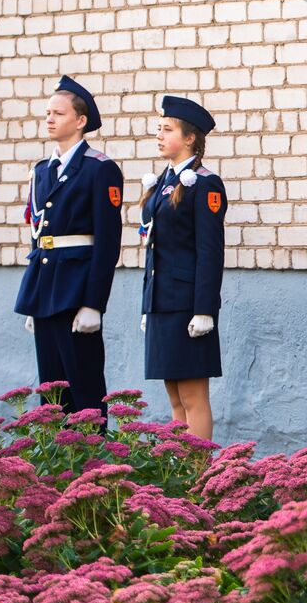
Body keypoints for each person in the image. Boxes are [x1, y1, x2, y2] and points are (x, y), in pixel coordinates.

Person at [13, 75, 124, 419]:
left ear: (80, 121)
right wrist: (35, 300)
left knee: (85, 387)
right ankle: (59, 471)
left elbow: (107, 242)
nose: (49, 119)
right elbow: (39, 237)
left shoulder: (98, 169)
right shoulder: (43, 170)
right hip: (45, 287)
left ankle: (94, 466)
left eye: (58, 114)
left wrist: (94, 303)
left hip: (77, 289)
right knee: (52, 392)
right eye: (47, 112)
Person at [139, 95, 227, 441]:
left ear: (190, 138)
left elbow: (209, 252)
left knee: (193, 396)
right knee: (175, 397)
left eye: (167, 129)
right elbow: (154, 248)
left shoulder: (204, 183)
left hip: (188, 305)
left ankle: (199, 476)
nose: (159, 135)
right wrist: (148, 304)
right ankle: (180, 470)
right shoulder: (162, 183)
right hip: (162, 302)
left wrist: (204, 310)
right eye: (158, 129)